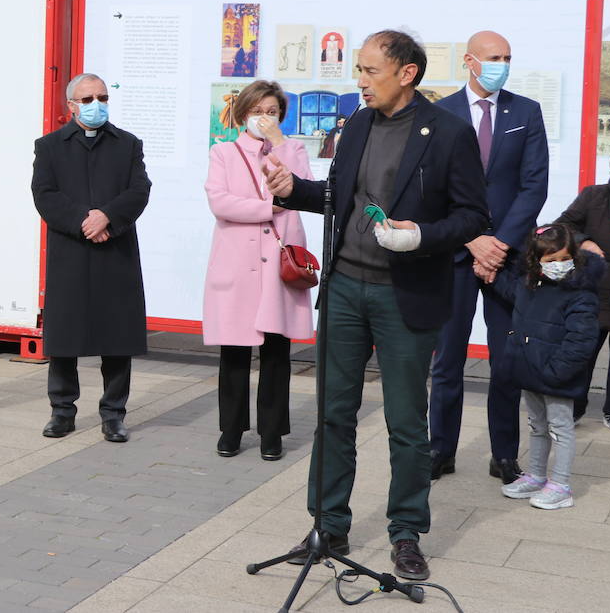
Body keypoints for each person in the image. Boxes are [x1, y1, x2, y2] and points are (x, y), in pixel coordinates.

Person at [264, 30, 488, 582]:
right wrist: (293, 188)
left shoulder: (449, 134)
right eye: (358, 70)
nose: (359, 81)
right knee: (332, 413)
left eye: (369, 71)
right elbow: (340, 200)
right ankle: (328, 525)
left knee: (406, 422)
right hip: (344, 289)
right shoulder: (358, 123)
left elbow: (473, 217)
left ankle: (407, 532)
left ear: (406, 74)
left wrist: (422, 235)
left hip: (404, 295)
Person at [428, 30, 548, 484]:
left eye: (508, 57)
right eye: (494, 57)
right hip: (457, 256)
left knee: (506, 360)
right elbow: (433, 191)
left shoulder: (525, 112)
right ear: (470, 61)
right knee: (447, 360)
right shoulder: (440, 113)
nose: (502, 64)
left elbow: (533, 185)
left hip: (508, 257)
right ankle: (440, 449)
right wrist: (472, 240)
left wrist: (497, 244)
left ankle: (504, 454)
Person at [31, 73, 151, 444]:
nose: (95, 104)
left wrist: (107, 217)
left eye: (101, 97)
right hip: (72, 249)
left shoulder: (127, 144)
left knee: (116, 335)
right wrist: (85, 220)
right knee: (65, 335)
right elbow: (44, 194)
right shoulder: (49, 146)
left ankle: (114, 413)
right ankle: (62, 410)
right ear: (71, 105)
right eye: (86, 99)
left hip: (114, 248)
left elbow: (139, 189)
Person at [203, 80, 312, 462]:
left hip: (279, 265)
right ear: (242, 113)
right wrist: (267, 209)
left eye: (272, 111)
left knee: (277, 351)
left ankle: (272, 433)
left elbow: (302, 187)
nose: (264, 118)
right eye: (257, 111)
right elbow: (220, 201)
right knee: (234, 351)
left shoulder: (292, 149)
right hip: (237, 263)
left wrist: (280, 142)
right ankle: (230, 429)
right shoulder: (224, 152)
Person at [480, 225, 600, 510]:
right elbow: (511, 292)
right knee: (537, 426)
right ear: (537, 262)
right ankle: (536, 475)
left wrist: (556, 372)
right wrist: (488, 272)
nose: (559, 266)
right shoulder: (531, 285)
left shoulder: (581, 294)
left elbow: (581, 340)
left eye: (564, 258)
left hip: (557, 375)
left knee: (561, 428)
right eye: (551, 261)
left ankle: (561, 484)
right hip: (529, 371)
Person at [555, 138, 610, 428]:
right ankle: (573, 407)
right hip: (594, 290)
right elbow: (561, 225)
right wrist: (586, 242)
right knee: (582, 352)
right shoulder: (593, 195)